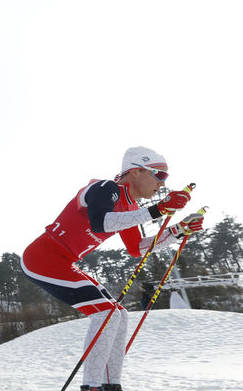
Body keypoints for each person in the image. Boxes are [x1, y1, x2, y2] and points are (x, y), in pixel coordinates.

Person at [21, 146, 205, 391]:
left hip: (64, 261)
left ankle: (111, 385)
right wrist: (157, 210)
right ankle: (91, 386)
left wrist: (177, 231)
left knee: (119, 314)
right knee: (106, 313)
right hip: (42, 257)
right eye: (159, 176)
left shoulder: (130, 208)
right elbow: (101, 223)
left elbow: (137, 248)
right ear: (137, 171)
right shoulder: (106, 188)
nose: (161, 185)